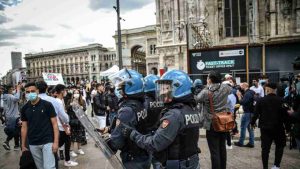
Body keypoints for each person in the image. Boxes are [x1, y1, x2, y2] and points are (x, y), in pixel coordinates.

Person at [121, 70, 201, 169]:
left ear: (178, 89)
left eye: (166, 88)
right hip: (192, 162)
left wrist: (132, 134)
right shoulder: (191, 109)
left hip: (178, 165)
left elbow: (154, 144)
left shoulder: (174, 115)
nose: (162, 92)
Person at [105, 69, 152, 169]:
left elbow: (117, 140)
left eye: (122, 87)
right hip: (144, 153)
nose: (119, 90)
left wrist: (109, 144)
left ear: (130, 88)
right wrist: (110, 128)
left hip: (132, 157)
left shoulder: (127, 110)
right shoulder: (142, 103)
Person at [196, 71, 231, 169]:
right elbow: (230, 88)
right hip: (223, 121)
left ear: (210, 80)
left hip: (212, 123)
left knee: (214, 151)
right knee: (222, 148)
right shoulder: (226, 88)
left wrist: (207, 87)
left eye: (207, 78)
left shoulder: (206, 92)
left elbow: (196, 99)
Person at [251, 83, 290, 169]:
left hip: (265, 129)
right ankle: (276, 165)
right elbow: (286, 116)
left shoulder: (260, 100)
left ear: (267, 90)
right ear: (275, 90)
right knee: (279, 146)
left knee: (265, 149)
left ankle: (265, 167)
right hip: (278, 128)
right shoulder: (282, 100)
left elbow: (255, 114)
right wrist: (288, 129)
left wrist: (252, 123)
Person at [21, 82, 59, 169]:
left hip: (47, 141)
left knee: (49, 167)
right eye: (28, 92)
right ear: (25, 93)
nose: (30, 93)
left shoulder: (47, 105)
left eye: (32, 91)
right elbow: (24, 127)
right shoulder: (25, 108)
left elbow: (55, 124)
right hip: (33, 143)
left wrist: (55, 142)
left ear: (37, 91)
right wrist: (23, 145)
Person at [53, 84, 78, 167]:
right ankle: (66, 161)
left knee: (64, 143)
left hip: (62, 126)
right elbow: (61, 116)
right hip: (62, 126)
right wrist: (66, 126)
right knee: (64, 143)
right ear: (62, 91)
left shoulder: (60, 100)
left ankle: (65, 160)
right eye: (65, 90)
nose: (66, 92)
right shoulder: (58, 102)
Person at [143, 74, 164, 169]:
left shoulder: (144, 102)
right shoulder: (162, 100)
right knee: (158, 162)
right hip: (159, 133)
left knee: (147, 161)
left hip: (147, 135)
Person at [234, 82, 255, 148]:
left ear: (244, 86)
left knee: (243, 127)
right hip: (251, 113)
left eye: (241, 86)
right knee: (250, 128)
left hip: (247, 113)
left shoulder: (248, 93)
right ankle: (251, 143)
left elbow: (242, 102)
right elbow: (247, 101)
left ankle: (241, 142)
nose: (240, 87)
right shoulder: (251, 92)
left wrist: (239, 96)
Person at [66, 89, 86, 158]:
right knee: (72, 136)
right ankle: (71, 150)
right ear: (73, 94)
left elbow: (85, 109)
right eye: (75, 93)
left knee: (79, 135)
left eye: (78, 93)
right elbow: (67, 109)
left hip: (80, 120)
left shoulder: (82, 101)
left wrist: (81, 107)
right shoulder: (69, 101)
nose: (76, 94)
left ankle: (79, 148)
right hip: (72, 120)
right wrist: (71, 105)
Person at [2, 84, 21, 151]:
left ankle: (16, 145)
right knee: (17, 130)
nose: (13, 90)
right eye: (12, 89)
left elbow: (14, 97)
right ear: (9, 90)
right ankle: (7, 142)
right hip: (14, 116)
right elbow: (17, 98)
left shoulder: (6, 96)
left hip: (10, 116)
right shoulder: (9, 96)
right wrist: (18, 90)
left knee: (17, 129)